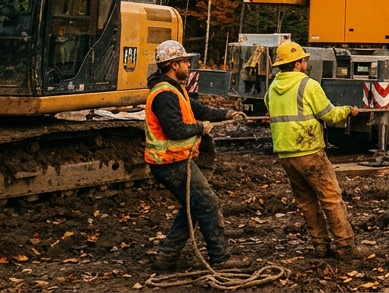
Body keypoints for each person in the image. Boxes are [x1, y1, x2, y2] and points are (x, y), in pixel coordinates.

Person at [144, 40, 247, 271]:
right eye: (184, 62)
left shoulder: (174, 89)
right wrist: (201, 128)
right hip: (170, 162)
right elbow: (175, 130)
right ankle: (221, 259)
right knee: (208, 203)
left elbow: (197, 109)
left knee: (193, 207)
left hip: (176, 160)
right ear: (173, 65)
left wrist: (226, 113)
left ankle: (166, 258)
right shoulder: (164, 94)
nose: (188, 65)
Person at [266, 41, 360, 259]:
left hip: (285, 154)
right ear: (297, 64)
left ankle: (320, 247)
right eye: (304, 59)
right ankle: (346, 248)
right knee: (330, 198)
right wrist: (348, 110)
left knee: (307, 202)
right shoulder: (308, 85)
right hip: (309, 152)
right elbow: (329, 115)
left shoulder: (272, 88)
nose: (306, 62)